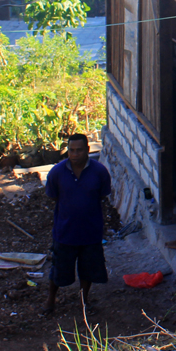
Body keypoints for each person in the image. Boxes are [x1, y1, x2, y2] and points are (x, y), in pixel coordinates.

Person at [45, 133, 112, 314]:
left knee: (88, 270)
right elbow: (53, 196)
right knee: (58, 270)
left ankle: (84, 300)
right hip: (65, 231)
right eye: (71, 150)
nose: (74, 154)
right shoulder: (57, 173)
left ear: (88, 150)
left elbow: (102, 195)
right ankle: (50, 301)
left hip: (91, 232)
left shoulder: (99, 172)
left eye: (79, 150)